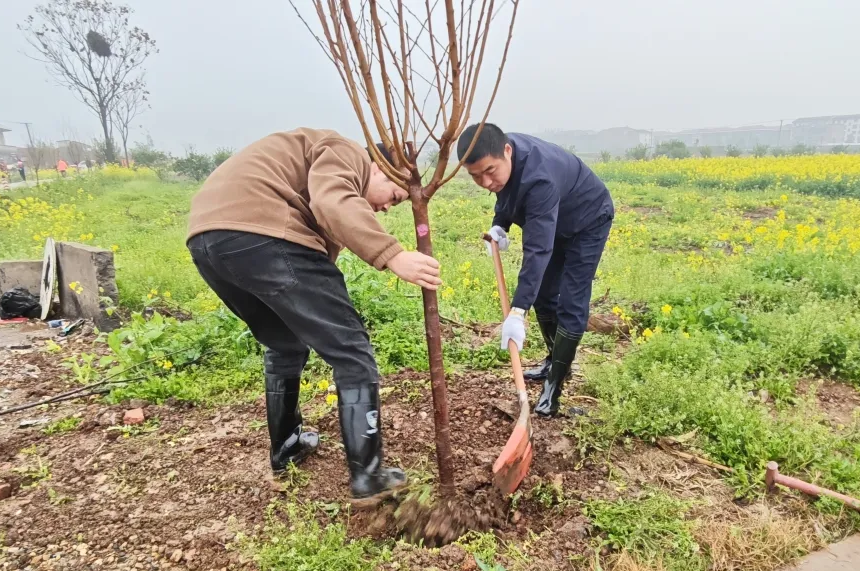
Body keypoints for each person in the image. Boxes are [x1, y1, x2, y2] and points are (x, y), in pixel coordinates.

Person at [186, 128, 441, 501]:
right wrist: (394, 255)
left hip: (208, 239)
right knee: (352, 351)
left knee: (284, 343)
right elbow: (333, 200)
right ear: (380, 167)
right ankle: (368, 478)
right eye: (394, 196)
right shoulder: (347, 152)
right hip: (261, 229)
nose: (388, 207)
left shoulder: (310, 169)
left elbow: (319, 254)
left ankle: (286, 446)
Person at [456, 123, 613, 417]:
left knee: (571, 301)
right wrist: (500, 225)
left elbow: (538, 249)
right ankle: (554, 360)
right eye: (475, 176)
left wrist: (517, 312)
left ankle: (555, 385)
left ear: (507, 151)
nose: (486, 182)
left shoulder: (540, 177)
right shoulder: (502, 155)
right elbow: (506, 192)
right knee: (543, 295)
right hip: (554, 219)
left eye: (489, 171)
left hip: (587, 221)